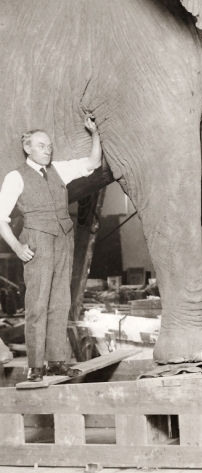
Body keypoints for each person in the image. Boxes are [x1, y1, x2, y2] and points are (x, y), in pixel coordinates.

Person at [0, 117, 102, 382]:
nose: (48, 150)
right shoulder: (15, 177)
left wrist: (95, 134)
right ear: (28, 148)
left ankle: (57, 361)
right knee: (37, 304)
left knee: (60, 302)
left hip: (62, 241)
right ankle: (35, 366)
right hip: (37, 242)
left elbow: (93, 163)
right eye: (42, 146)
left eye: (49, 146)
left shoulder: (58, 170)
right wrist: (17, 246)